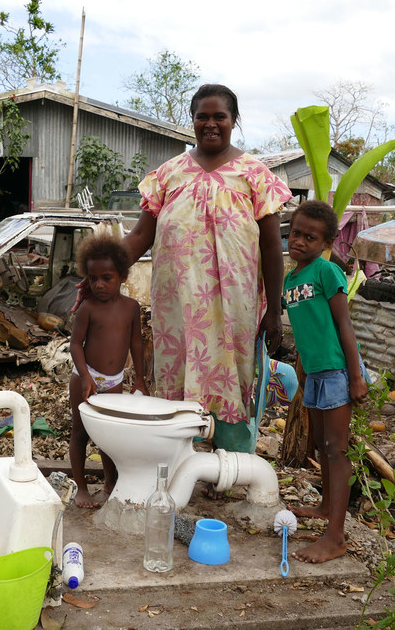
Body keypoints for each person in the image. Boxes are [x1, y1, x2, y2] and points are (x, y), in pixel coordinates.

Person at [121, 83, 293, 456]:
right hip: (177, 308)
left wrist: (275, 311)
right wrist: (96, 272)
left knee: (232, 380)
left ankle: (228, 468)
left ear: (234, 121)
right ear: (192, 120)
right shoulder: (168, 175)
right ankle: (178, 462)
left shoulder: (255, 175)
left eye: (220, 117)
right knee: (177, 378)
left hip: (234, 309)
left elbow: (271, 246)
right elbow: (139, 236)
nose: (211, 124)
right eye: (203, 116)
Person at [283, 199, 369, 562]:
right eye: (296, 233)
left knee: (338, 451)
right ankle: (323, 507)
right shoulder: (291, 278)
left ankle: (335, 537)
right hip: (316, 374)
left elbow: (343, 326)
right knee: (321, 446)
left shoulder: (326, 272)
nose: (300, 241)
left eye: (310, 237)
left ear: (326, 243)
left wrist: (355, 377)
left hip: (337, 370)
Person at [69, 233, 148, 508]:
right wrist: (85, 377)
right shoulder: (88, 308)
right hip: (85, 375)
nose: (99, 285)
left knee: (109, 436)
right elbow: (76, 344)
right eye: (93, 279)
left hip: (114, 381)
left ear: (123, 276)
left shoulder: (131, 308)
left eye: (107, 278)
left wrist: (139, 378)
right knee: (80, 433)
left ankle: (110, 482)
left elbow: (137, 343)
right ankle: (81, 487)